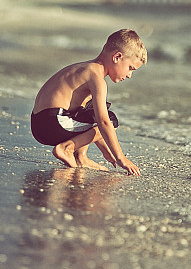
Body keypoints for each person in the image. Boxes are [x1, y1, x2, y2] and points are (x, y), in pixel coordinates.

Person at [31, 29, 146, 176]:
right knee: (111, 120)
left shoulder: (84, 68)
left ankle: (81, 157)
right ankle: (67, 148)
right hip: (54, 124)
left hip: (40, 123)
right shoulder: (97, 79)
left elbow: (90, 117)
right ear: (117, 57)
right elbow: (103, 122)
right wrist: (121, 158)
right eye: (130, 68)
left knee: (91, 107)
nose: (130, 75)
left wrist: (106, 151)